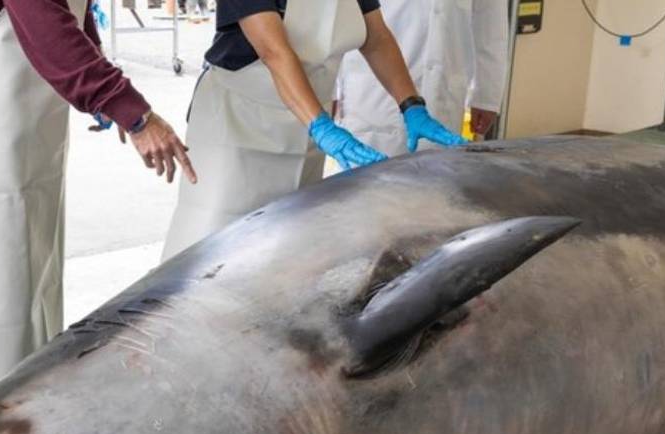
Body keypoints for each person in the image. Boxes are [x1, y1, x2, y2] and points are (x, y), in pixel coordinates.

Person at [0, 0, 196, 393]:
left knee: (31, 263)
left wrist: (99, 70)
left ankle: (20, 394)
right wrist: (132, 112)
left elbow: (71, 13)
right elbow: (47, 27)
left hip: (22, 117)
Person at [161, 0, 463, 261]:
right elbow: (273, 50)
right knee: (210, 246)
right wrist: (321, 126)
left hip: (306, 123)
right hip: (238, 125)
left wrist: (411, 105)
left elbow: (377, 37)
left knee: (284, 247)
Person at [336, 0, 508, 155]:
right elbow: (338, 13)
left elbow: (491, 23)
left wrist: (486, 96)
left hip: (444, 86)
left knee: (436, 180)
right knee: (365, 179)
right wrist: (332, 91)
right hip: (373, 87)